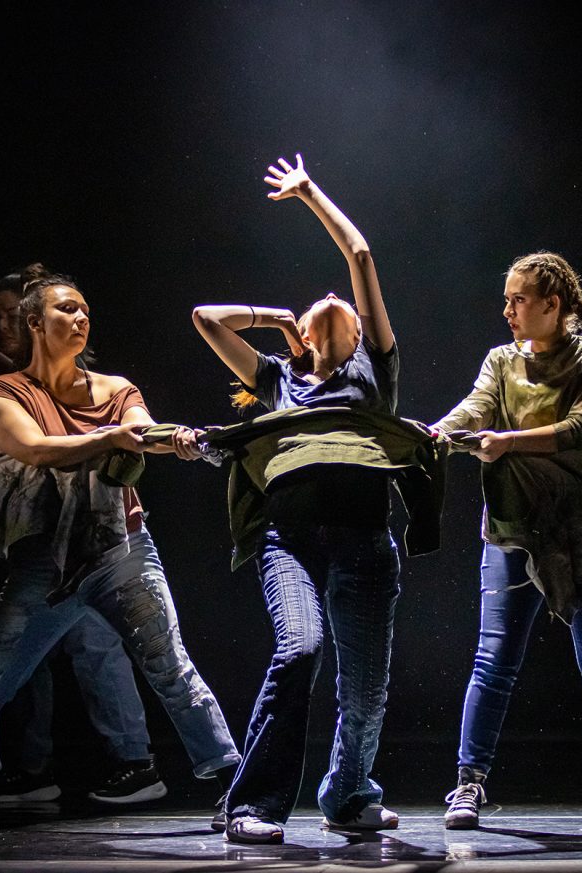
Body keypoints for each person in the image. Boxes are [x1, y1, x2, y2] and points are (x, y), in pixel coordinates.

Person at [0, 267, 240, 819]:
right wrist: (107, 437)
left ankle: (234, 782)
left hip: (121, 553)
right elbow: (34, 448)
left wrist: (179, 439)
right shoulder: (0, 393)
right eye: (66, 309)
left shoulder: (115, 388)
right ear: (34, 322)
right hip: (42, 568)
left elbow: (141, 428)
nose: (80, 319)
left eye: (84, 312)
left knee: (170, 666)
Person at [192, 154, 404, 844]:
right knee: (302, 647)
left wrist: (310, 191)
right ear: (308, 334)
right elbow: (205, 318)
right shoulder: (280, 377)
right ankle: (253, 803)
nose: (335, 298)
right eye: (322, 307)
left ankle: (347, 793)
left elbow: (361, 254)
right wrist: (276, 318)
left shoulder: (375, 368)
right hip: (292, 538)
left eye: (340, 303)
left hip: (367, 537)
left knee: (365, 689)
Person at [434, 252, 582, 829]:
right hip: (513, 529)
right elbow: (476, 406)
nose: (506, 310)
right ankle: (468, 782)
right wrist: (439, 433)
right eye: (507, 299)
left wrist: (509, 442)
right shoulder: (501, 360)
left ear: (553, 305)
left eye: (518, 300)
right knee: (493, 661)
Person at [0, 266, 165, 809]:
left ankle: (133, 761)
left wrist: (136, 436)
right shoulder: (1, 383)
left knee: (100, 647)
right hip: (42, 544)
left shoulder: (87, 384)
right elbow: (20, 448)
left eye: (8, 314)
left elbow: (112, 436)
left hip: (96, 541)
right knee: (29, 660)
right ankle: (29, 766)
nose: (1, 325)